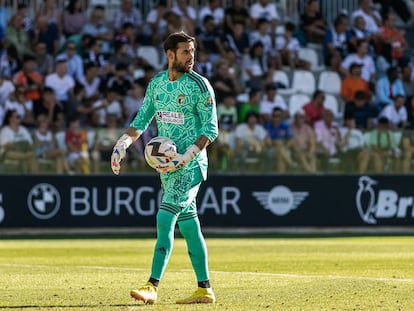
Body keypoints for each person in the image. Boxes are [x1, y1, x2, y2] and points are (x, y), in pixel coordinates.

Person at [111, 32, 218, 304]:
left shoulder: (200, 86)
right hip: (168, 168)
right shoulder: (157, 84)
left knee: (164, 217)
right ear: (170, 55)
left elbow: (211, 129)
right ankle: (204, 289)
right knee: (190, 227)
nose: (191, 57)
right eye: (185, 52)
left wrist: (187, 155)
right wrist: (122, 144)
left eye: (193, 52)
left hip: (191, 164)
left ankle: (152, 285)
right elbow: (142, 120)